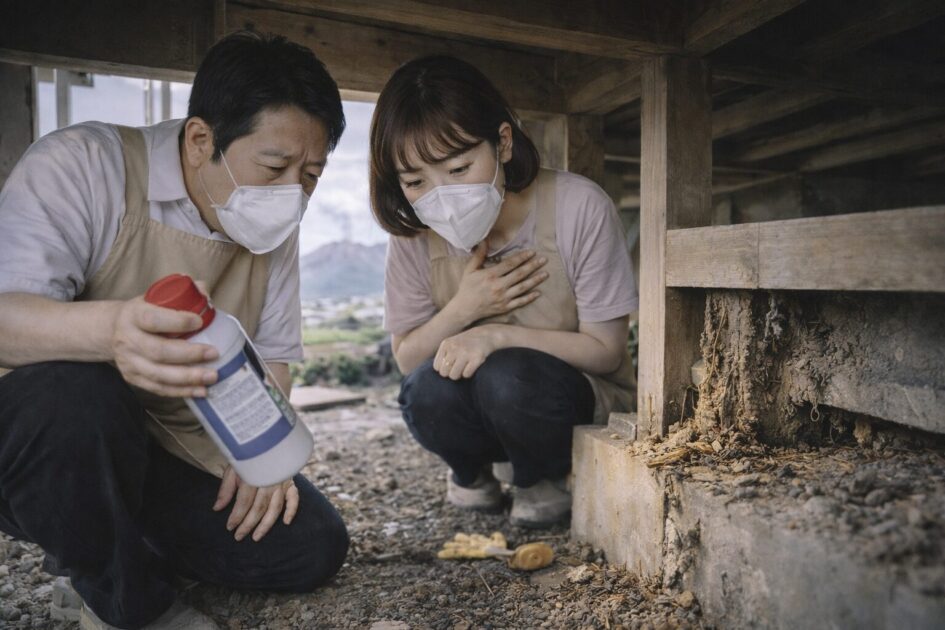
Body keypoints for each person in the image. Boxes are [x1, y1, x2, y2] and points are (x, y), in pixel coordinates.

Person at [0, 32, 349, 629]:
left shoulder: (276, 228)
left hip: (171, 441)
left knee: (310, 545)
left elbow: (275, 359)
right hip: (55, 435)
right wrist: (111, 332)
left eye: (310, 174)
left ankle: (109, 545)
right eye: (275, 166)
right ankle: (125, 602)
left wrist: (259, 461)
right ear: (200, 140)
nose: (293, 193)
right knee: (77, 397)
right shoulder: (84, 166)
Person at [370, 56, 638, 529]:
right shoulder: (412, 237)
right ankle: (473, 473)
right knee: (426, 390)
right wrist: (465, 309)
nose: (441, 197)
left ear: (503, 143)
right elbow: (408, 359)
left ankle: (543, 477)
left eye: (458, 167)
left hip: (570, 402)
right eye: (415, 182)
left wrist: (495, 335)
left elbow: (607, 351)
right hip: (486, 411)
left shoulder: (579, 206)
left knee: (509, 374)